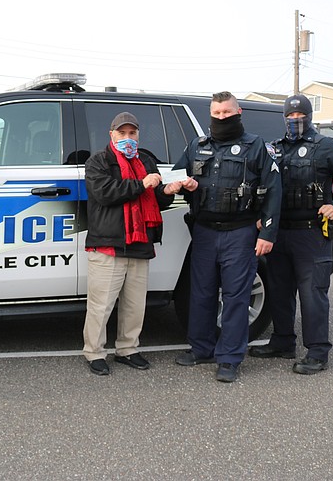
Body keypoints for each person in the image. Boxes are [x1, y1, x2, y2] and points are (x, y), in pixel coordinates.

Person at [249, 94, 333, 374]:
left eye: (299, 118)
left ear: (309, 118)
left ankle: (317, 352)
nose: (294, 122)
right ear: (284, 119)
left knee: (312, 293)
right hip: (280, 232)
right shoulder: (274, 149)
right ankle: (283, 342)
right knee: (279, 290)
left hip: (312, 234)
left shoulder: (325, 147)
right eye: (289, 118)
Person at [172, 91, 281, 383]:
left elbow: (273, 190)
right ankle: (201, 349)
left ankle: (230, 359)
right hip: (204, 231)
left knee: (235, 297)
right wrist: (184, 185)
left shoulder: (256, 146)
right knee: (202, 292)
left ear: (239, 111)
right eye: (217, 113)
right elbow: (175, 178)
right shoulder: (197, 145)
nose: (222, 117)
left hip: (241, 232)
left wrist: (267, 232)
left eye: (227, 113)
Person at [83, 112, 183, 375]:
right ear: (111, 134)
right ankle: (94, 352)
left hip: (140, 241)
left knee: (134, 304)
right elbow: (106, 193)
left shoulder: (147, 160)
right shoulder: (98, 162)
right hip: (108, 244)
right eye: (122, 133)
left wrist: (167, 192)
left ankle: (128, 349)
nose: (128, 138)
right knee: (101, 304)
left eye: (132, 133)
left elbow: (157, 199)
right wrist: (142, 184)